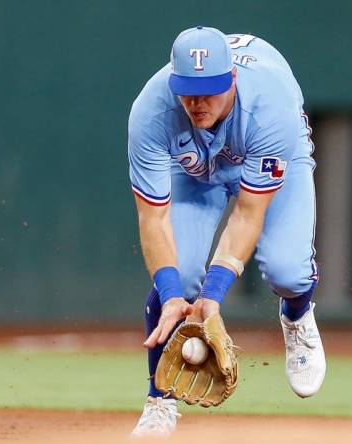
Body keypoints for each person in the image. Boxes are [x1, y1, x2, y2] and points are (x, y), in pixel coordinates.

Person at [128, 26, 326, 437]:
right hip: (195, 173)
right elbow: (153, 219)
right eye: (188, 91)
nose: (198, 103)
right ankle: (159, 400)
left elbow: (248, 215)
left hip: (269, 155)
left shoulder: (271, 108)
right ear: (172, 81)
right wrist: (171, 298)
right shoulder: (151, 110)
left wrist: (213, 297)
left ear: (232, 78)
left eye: (211, 89)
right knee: (178, 278)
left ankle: (296, 314)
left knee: (287, 271)